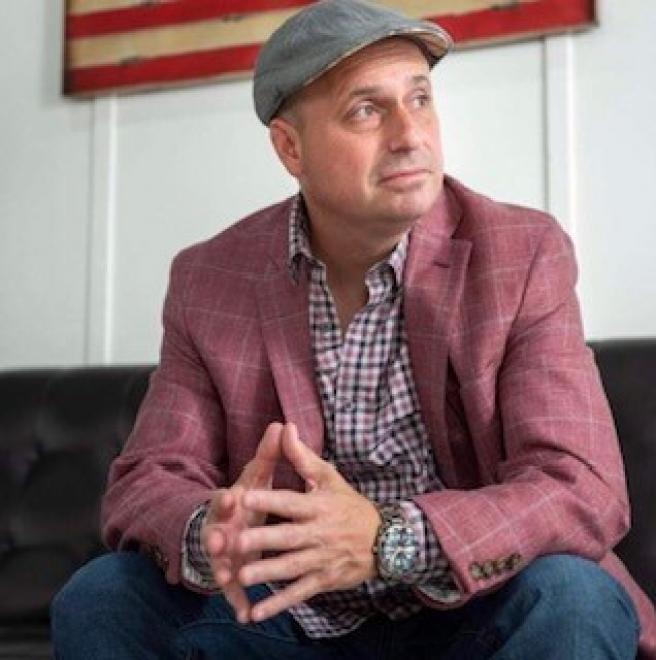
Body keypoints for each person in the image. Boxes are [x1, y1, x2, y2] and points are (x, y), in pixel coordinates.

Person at [51, 0, 656, 658]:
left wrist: (388, 538)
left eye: (419, 99)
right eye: (367, 110)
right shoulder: (210, 279)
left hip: (470, 611)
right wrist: (210, 528)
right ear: (290, 147)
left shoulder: (520, 253)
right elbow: (148, 478)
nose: (410, 134)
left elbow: (579, 487)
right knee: (104, 595)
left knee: (572, 596)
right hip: (286, 619)